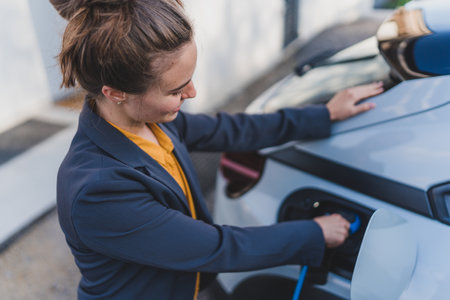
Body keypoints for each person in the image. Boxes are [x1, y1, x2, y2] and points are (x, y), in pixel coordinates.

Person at [51, 0, 384, 299]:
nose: (192, 93)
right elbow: (215, 247)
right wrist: (314, 233)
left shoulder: (153, 121)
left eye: (190, 79)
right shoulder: (97, 191)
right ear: (116, 93)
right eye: (176, 90)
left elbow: (231, 129)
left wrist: (324, 114)